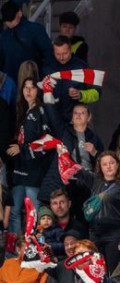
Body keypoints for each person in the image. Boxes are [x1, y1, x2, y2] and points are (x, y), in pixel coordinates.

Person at [70, 150, 120, 273]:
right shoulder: (95, 181)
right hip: (95, 233)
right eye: (105, 164)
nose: (108, 166)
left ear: (117, 165)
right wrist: (63, 153)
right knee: (97, 271)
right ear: (100, 167)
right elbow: (77, 170)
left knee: (114, 272)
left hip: (114, 234)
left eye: (111, 163)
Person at [8, 77, 53, 235]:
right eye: (25, 87)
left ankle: (35, 250)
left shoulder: (40, 111)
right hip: (20, 171)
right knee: (13, 212)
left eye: (32, 87)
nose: (28, 91)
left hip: (34, 172)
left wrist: (23, 149)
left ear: (38, 91)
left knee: (33, 214)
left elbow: (47, 141)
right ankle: (13, 253)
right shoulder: (23, 111)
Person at [44, 36, 100, 121]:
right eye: (58, 54)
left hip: (74, 121)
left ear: (71, 50)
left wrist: (81, 94)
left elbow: (97, 93)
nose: (61, 57)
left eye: (65, 53)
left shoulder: (82, 67)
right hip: (50, 120)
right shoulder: (47, 66)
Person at [0, 2, 54, 81]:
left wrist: (43, 76)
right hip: (10, 82)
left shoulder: (35, 30)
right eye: (7, 20)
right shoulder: (4, 36)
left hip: (32, 79)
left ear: (20, 14)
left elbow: (48, 54)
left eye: (12, 19)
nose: (9, 22)